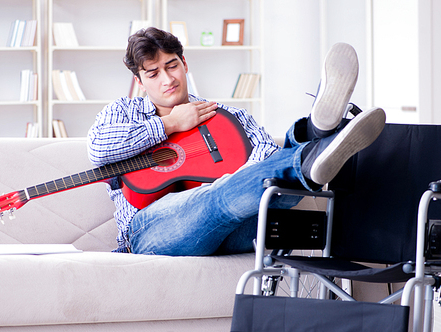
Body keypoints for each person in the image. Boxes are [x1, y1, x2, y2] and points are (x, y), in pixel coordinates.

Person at [87, 27, 386, 256]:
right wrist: (172, 123)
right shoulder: (124, 112)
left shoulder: (226, 115)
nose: (167, 79)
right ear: (140, 82)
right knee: (214, 197)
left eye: (172, 65)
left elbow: (267, 155)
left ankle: (315, 135)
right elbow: (98, 149)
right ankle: (311, 143)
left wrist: (238, 180)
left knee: (275, 195)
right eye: (153, 73)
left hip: (236, 223)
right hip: (151, 229)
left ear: (185, 64)